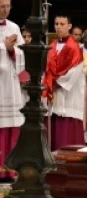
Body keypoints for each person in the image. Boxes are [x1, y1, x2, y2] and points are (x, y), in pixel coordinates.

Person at [42, 14, 85, 151]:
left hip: (68, 96)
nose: (58, 27)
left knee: (66, 135)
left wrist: (53, 84)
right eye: (56, 24)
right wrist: (48, 81)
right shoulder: (51, 46)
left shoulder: (75, 48)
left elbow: (74, 72)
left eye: (62, 24)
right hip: (53, 96)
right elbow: (47, 69)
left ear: (69, 26)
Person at [0, 0, 26, 182]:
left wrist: (13, 49)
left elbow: (22, 53)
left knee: (12, 126)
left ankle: (10, 170)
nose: (5, 10)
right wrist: (4, 47)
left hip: (11, 83)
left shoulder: (14, 27)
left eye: (8, 6)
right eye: (1, 6)